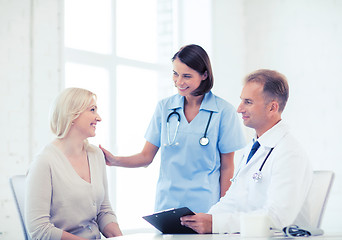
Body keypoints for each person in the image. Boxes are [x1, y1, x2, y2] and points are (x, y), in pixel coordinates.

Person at [100, 44, 246, 213]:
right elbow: (146, 157)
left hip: (205, 207)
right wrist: (115, 160)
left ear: (204, 75)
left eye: (187, 76)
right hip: (167, 206)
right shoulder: (165, 107)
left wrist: (222, 212)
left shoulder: (224, 111)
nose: (179, 82)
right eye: (175, 74)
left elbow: (227, 167)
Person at [180, 69, 313, 234]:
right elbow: (233, 200)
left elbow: (277, 218)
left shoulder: (289, 153)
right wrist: (203, 221)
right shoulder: (252, 148)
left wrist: (217, 224)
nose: (239, 109)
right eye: (241, 101)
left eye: (248, 102)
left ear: (272, 107)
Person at [25, 88, 122, 240]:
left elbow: (103, 211)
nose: (99, 118)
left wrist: (120, 238)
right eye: (92, 110)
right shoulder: (44, 162)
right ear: (72, 115)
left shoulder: (96, 155)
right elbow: (39, 229)